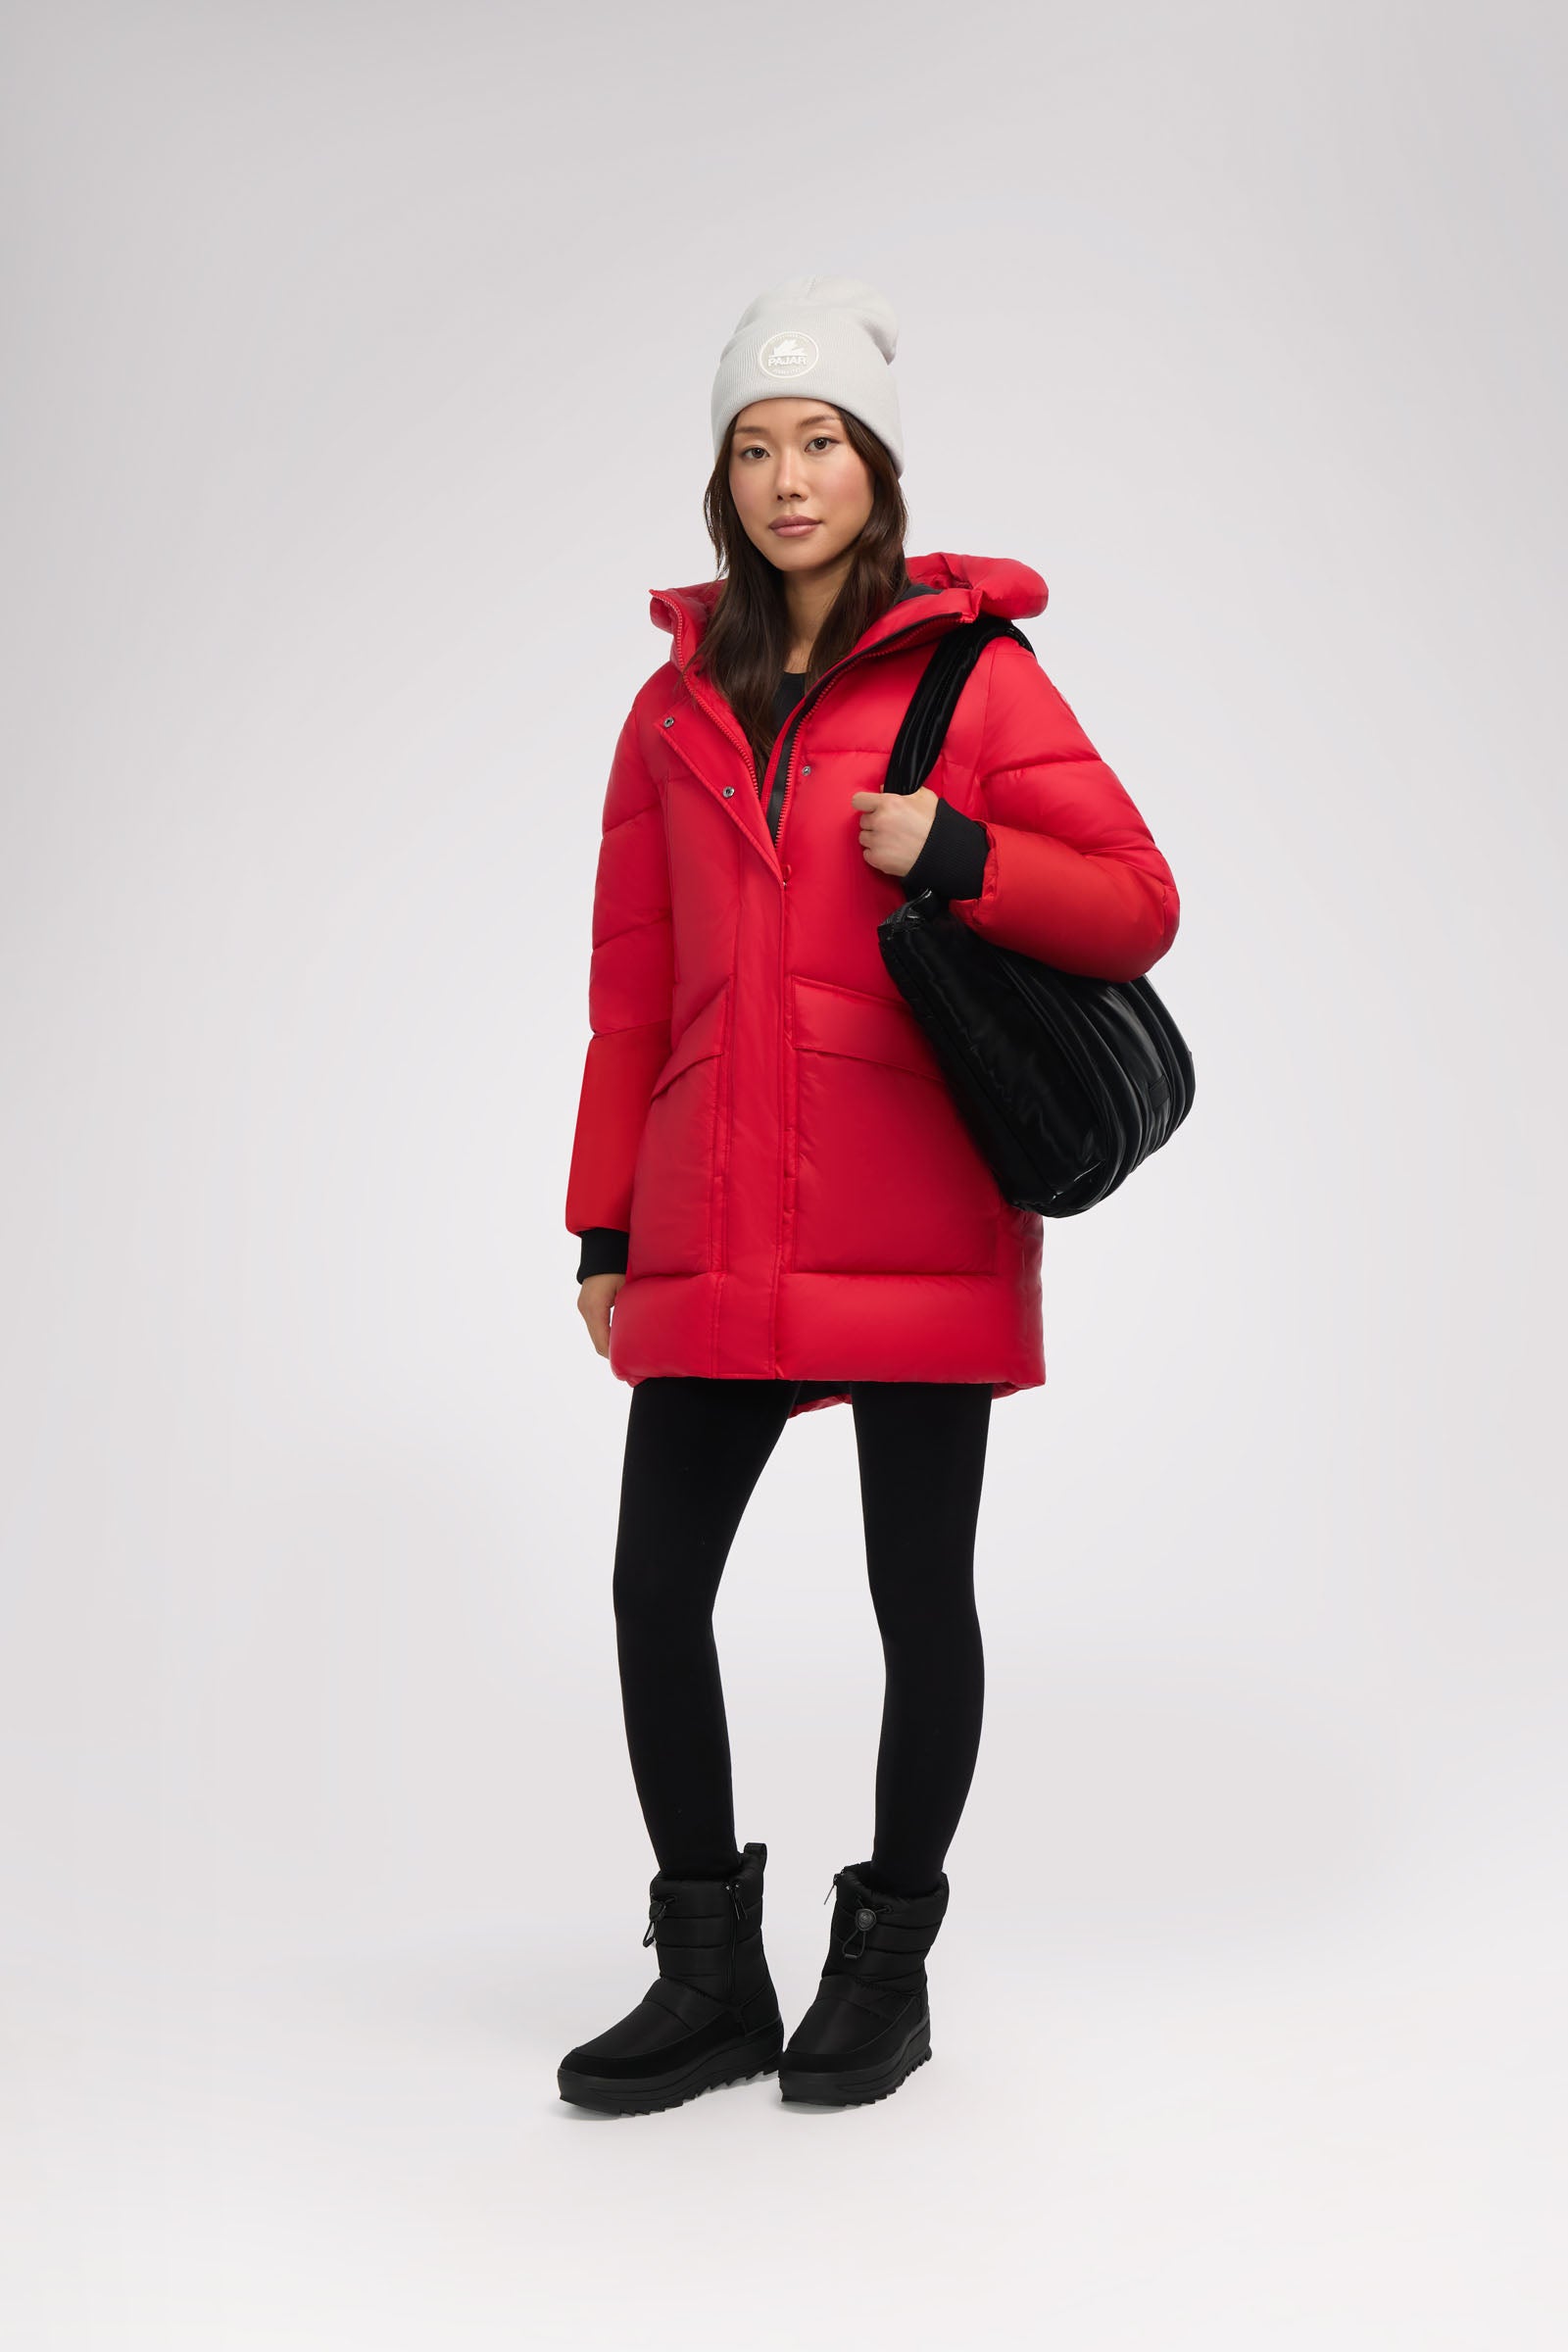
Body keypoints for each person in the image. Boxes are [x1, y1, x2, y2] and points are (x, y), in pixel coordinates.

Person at [557, 276, 1181, 2116]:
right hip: (715, 1211)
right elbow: (632, 992)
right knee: (654, 1589)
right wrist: (605, 1228)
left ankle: (886, 1965)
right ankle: (707, 1979)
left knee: (919, 1594)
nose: (787, 478)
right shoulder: (670, 711)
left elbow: (1139, 904)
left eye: (820, 440)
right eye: (754, 448)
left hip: (914, 1201)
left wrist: (964, 849)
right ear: (723, 482)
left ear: (877, 465)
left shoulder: (979, 682)